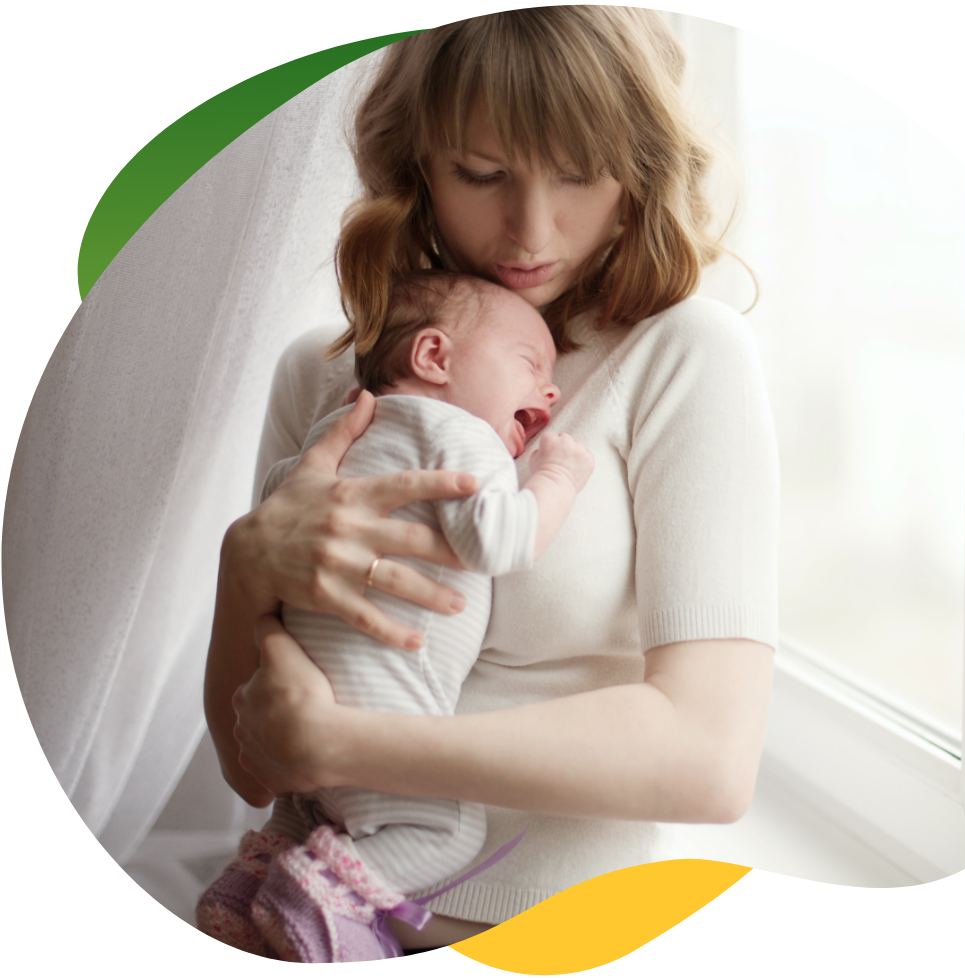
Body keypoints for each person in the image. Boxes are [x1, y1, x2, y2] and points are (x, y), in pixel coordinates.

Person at [206, 7, 778, 957]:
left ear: (635, 171)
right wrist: (244, 566)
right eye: (482, 173)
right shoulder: (323, 374)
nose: (531, 229)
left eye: (578, 174)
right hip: (305, 929)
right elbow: (251, 764)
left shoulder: (686, 354)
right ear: (417, 164)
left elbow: (709, 762)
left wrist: (353, 749)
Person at [198, 269, 593, 961]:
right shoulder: (463, 435)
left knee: (306, 809)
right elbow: (498, 540)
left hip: (296, 696)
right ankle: (322, 901)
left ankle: (252, 883)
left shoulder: (333, 433)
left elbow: (270, 514)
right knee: (448, 830)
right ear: (435, 358)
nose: (549, 392)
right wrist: (555, 478)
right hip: (384, 709)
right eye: (531, 366)